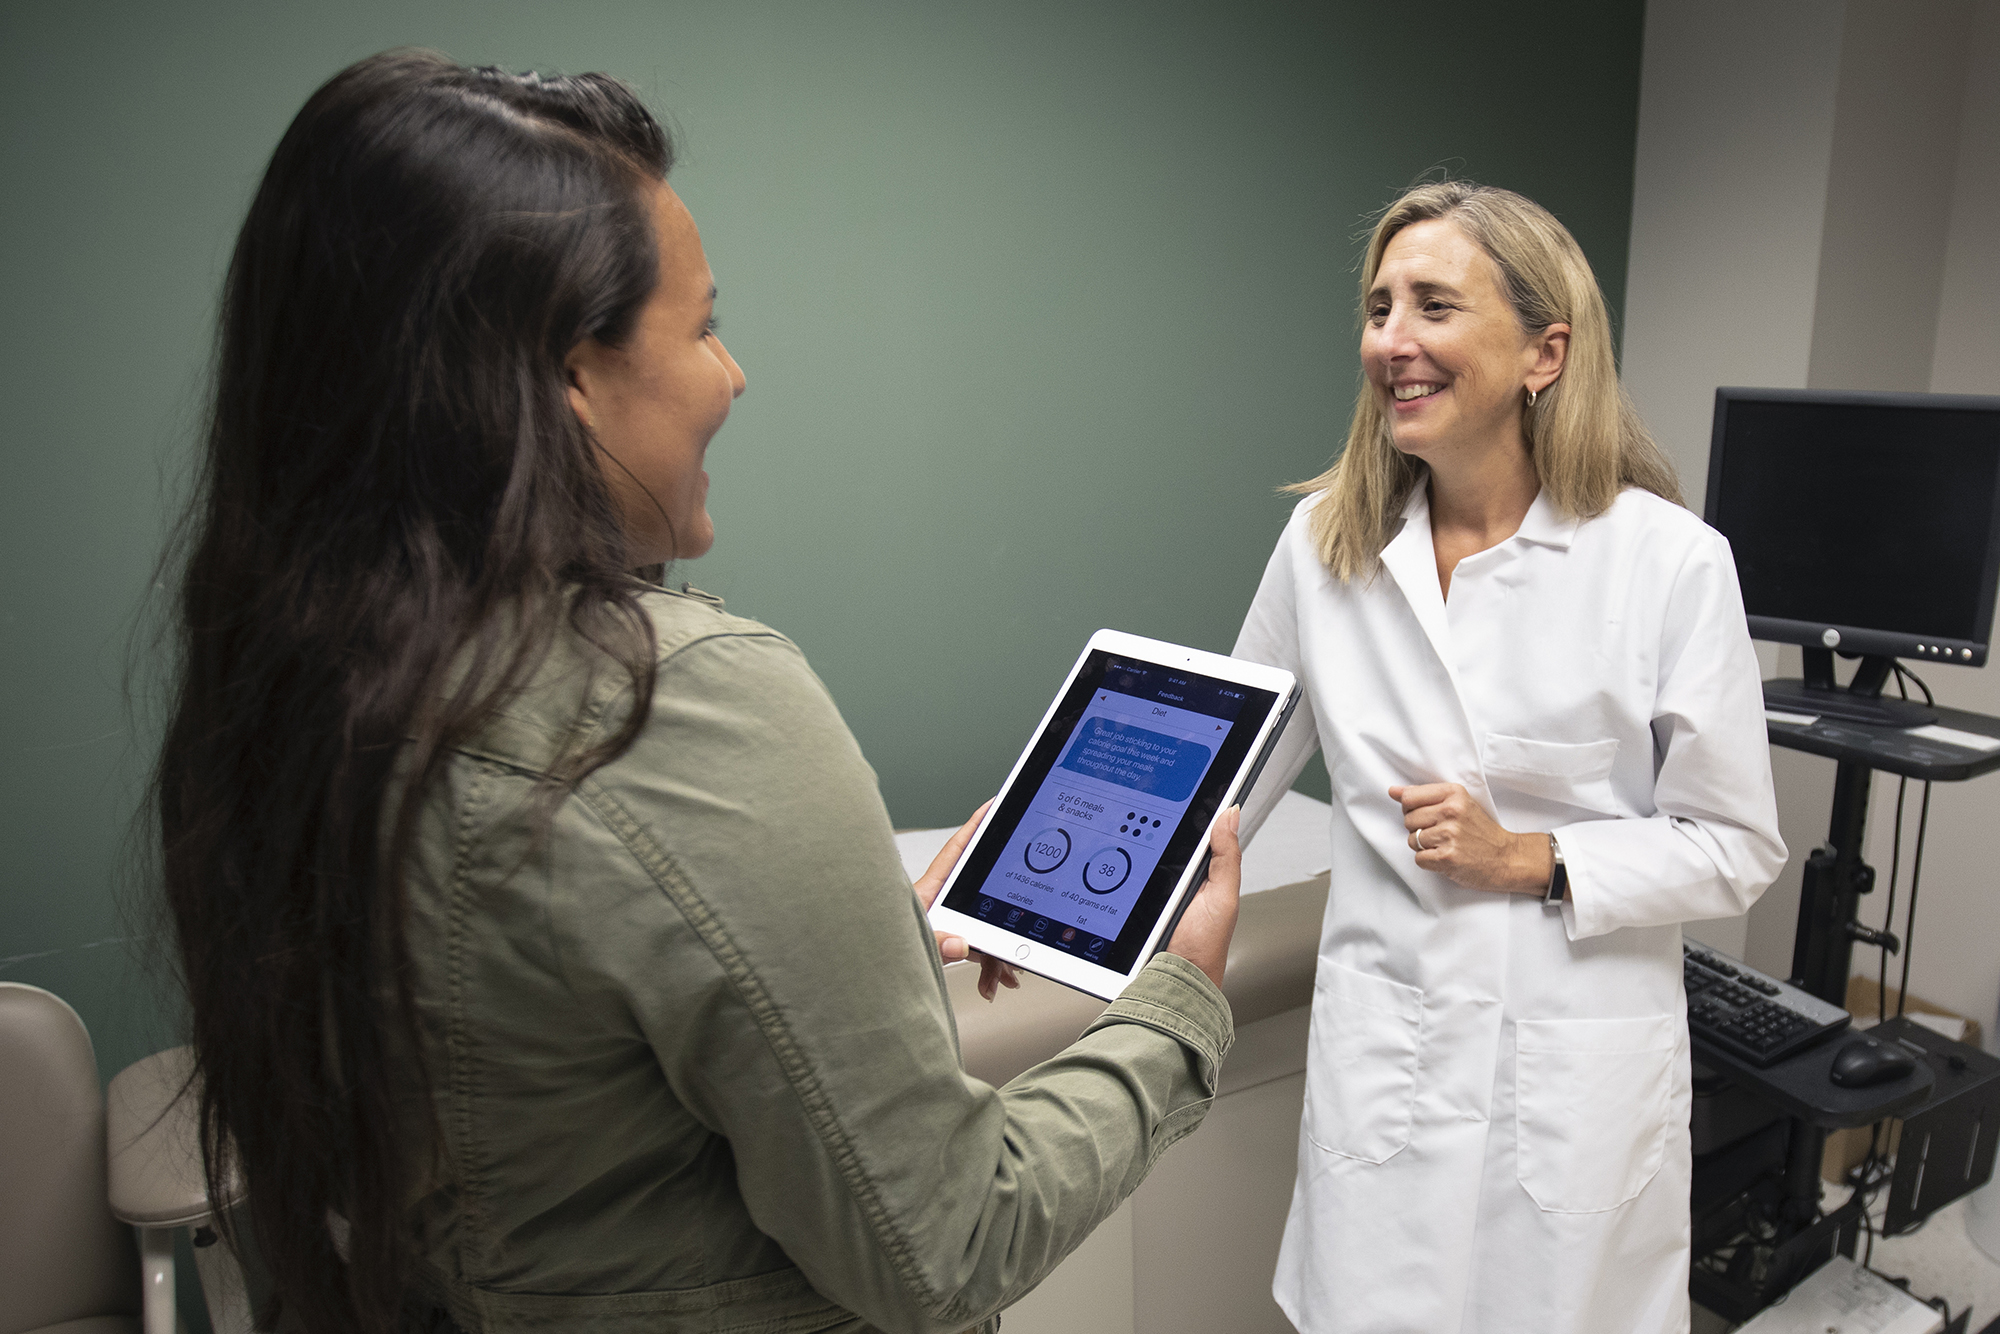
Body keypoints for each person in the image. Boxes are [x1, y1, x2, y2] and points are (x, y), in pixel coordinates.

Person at [154, 50, 1244, 1334]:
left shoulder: (291, 686)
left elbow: (541, 1049)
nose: (734, 376)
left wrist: (846, 937)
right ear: (565, 375)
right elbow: (947, 1241)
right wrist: (1182, 998)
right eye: (704, 324)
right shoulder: (676, 705)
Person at [1230, 181, 1786, 1334]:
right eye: (1379, 307)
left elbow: (1734, 845)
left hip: (1572, 1083)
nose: (1392, 340)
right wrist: (1029, 856)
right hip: (1384, 1061)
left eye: (1433, 305)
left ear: (1545, 350)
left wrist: (1534, 856)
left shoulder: (1665, 563)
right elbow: (1223, 774)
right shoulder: (1326, 540)